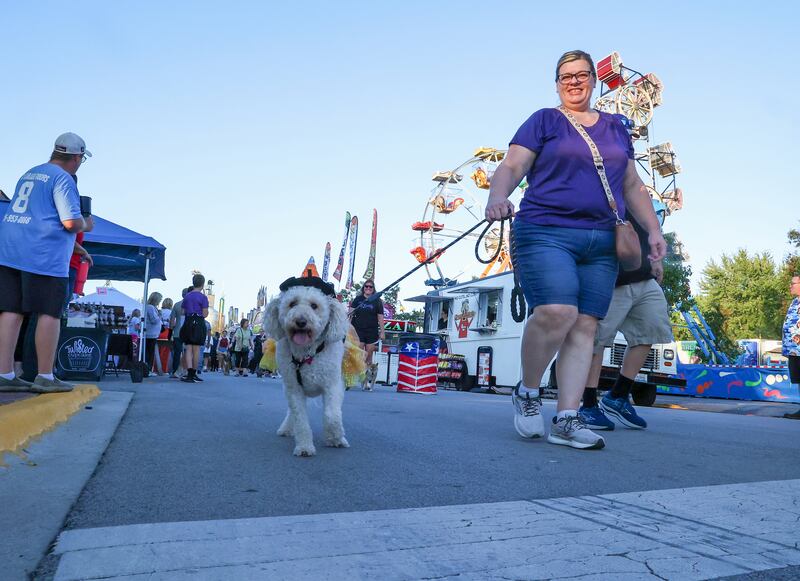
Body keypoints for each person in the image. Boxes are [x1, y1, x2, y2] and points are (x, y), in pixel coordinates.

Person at [485, 50, 666, 450]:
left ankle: (567, 418)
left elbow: (632, 186)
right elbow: (513, 166)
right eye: (566, 76)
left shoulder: (617, 127)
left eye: (582, 74)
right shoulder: (544, 121)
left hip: (602, 239)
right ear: (556, 83)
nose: (574, 81)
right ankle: (528, 392)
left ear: (593, 81)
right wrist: (497, 196)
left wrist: (653, 230)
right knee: (557, 311)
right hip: (546, 230)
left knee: (586, 325)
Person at [0, 133, 93, 393]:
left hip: (8, 250)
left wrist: (77, 247)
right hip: (41, 255)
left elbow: (35, 217)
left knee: (11, 310)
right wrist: (87, 224)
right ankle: (45, 376)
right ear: (77, 158)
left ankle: (4, 374)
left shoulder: (30, 173)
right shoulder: (63, 178)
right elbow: (70, 222)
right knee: (49, 312)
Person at [578, 216, 673, 431]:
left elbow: (647, 226)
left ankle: (618, 396)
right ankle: (588, 404)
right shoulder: (597, 186)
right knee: (596, 341)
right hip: (608, 277)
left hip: (643, 276)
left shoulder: (635, 191)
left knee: (651, 331)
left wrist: (656, 260)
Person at [348, 279, 386, 385]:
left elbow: (380, 317)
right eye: (366, 286)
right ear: (363, 288)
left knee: (369, 355)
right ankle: (356, 376)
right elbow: (350, 314)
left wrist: (382, 332)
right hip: (358, 330)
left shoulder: (377, 301)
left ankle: (367, 380)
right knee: (359, 354)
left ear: (373, 289)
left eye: (370, 287)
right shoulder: (358, 299)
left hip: (372, 331)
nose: (368, 288)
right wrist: (348, 329)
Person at [179, 275, 209, 383]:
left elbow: (182, 311)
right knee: (196, 350)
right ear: (202, 284)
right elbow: (205, 314)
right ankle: (194, 373)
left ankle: (189, 373)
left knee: (188, 348)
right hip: (199, 322)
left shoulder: (187, 296)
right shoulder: (203, 297)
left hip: (188, 321)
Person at [782, 274, 800, 420]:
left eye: (793, 283)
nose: (790, 286)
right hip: (794, 349)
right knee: (798, 379)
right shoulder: (794, 302)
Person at [169, 288, 189, 378]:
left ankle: (175, 371)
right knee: (187, 351)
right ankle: (185, 371)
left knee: (177, 352)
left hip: (177, 331)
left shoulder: (177, 305)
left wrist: (171, 331)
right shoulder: (191, 305)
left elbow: (172, 320)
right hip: (188, 332)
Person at [144, 292, 163, 376]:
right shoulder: (150, 307)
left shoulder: (150, 307)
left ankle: (148, 369)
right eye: (160, 299)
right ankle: (148, 370)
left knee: (150, 352)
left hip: (151, 333)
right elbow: (154, 320)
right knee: (150, 353)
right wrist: (159, 315)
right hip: (150, 334)